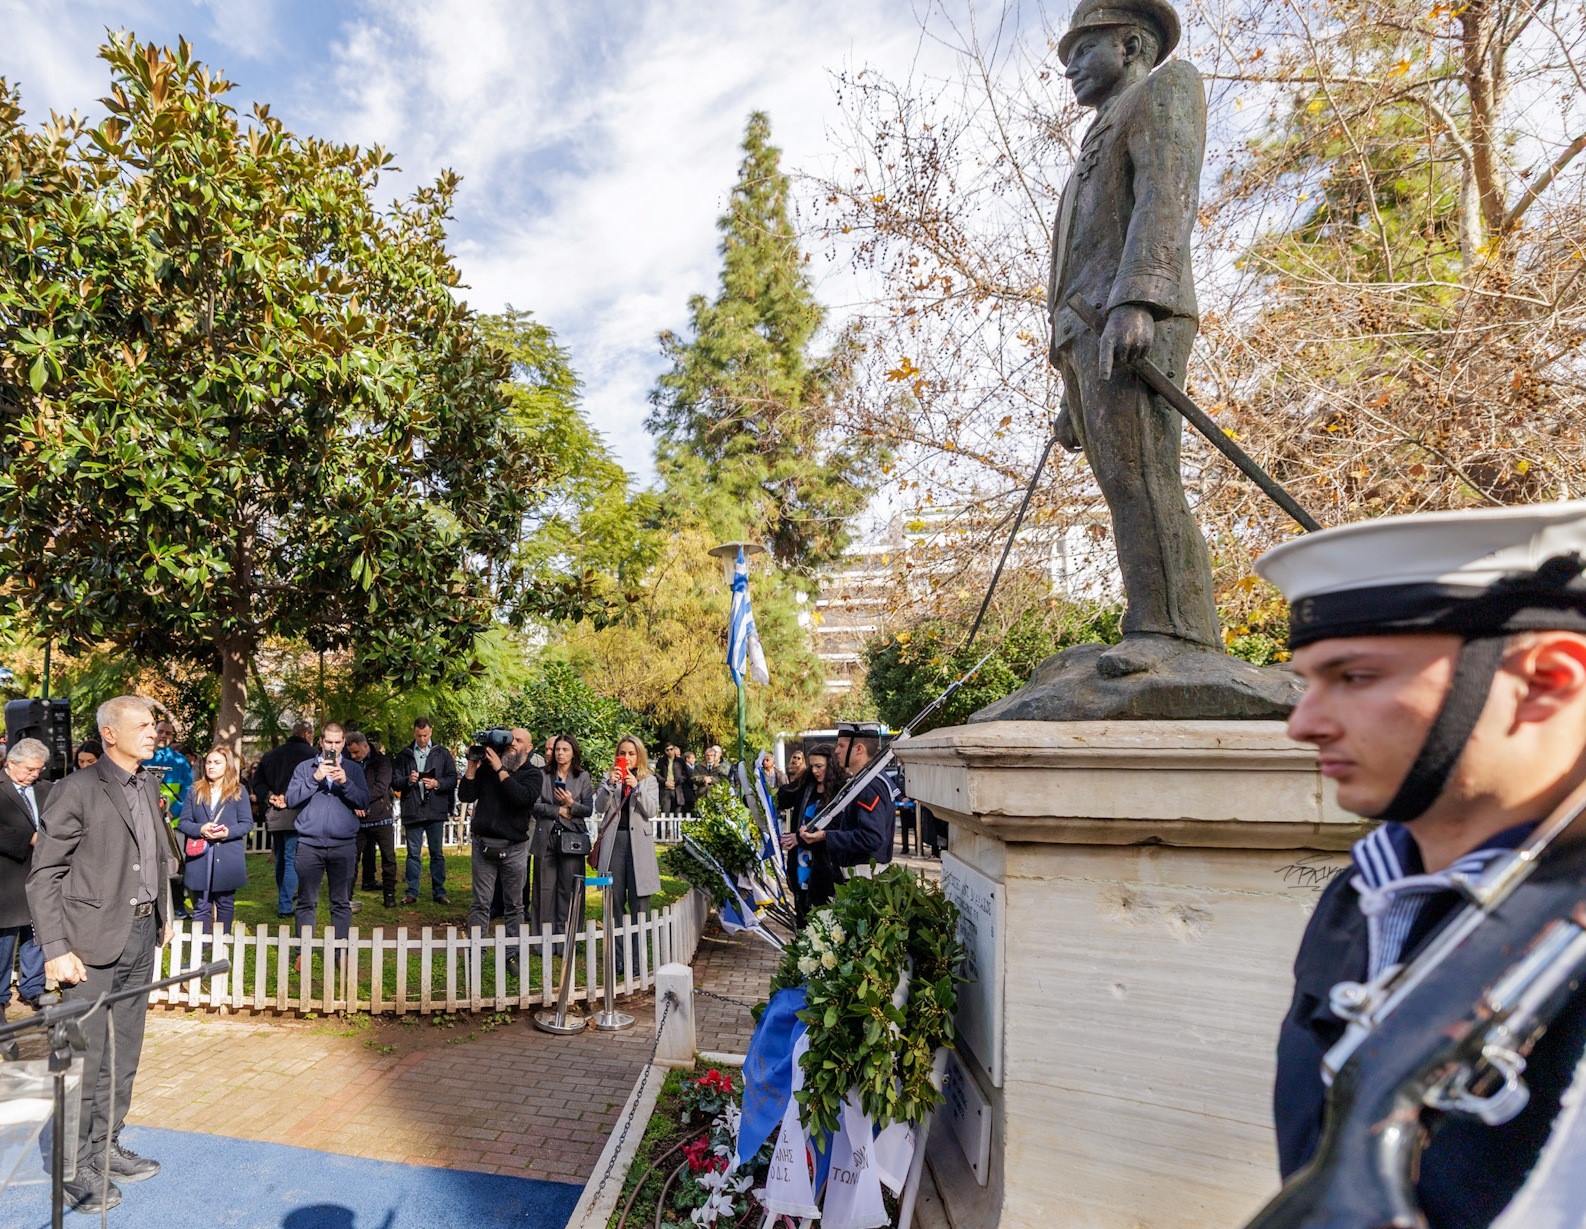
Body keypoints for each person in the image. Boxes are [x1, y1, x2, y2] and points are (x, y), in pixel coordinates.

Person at [1256, 500, 1586, 1229]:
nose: (1302, 722)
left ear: (1547, 678)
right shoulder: (1362, 890)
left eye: (1354, 676)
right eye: (1309, 679)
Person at [1046, 0, 1220, 679]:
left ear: (1131, 43)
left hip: (1131, 323)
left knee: (1144, 474)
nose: (1071, 71)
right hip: (1087, 337)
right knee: (1121, 481)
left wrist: (1138, 297)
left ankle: (1176, 633)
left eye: (1082, 52)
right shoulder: (1090, 142)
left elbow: (1165, 194)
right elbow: (1078, 258)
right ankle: (1150, 620)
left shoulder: (1165, 91)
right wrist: (1068, 383)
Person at [29, 695, 176, 1212]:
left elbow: (158, 853)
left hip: (139, 937)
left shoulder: (149, 783)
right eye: (141, 724)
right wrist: (55, 948)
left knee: (122, 1054)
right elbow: (44, 875)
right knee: (83, 1060)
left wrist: (165, 915)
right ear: (109, 733)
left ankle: (104, 1148)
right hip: (87, 946)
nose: (152, 730)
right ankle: (73, 1167)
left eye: (153, 723)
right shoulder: (76, 789)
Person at [458, 728, 541, 974]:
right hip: (483, 845)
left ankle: (511, 956)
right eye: (510, 739)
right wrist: (472, 766)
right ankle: (476, 953)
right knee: (481, 903)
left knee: (514, 905)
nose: (513, 744)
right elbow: (465, 795)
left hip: (514, 848)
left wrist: (500, 770)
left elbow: (520, 798)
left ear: (529, 746)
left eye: (519, 740)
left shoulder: (532, 774)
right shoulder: (488, 768)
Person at [287, 723, 368, 944]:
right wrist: (315, 778)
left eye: (337, 742)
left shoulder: (353, 770)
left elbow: (363, 801)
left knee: (341, 902)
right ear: (321, 742)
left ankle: (340, 951)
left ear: (343, 743)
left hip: (343, 845)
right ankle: (303, 951)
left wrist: (345, 782)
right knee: (306, 901)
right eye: (328, 742)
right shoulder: (305, 768)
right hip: (309, 845)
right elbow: (291, 800)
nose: (333, 746)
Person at [593, 735, 661, 975]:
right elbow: (599, 807)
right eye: (623, 753)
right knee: (614, 904)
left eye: (631, 753)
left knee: (639, 903)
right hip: (614, 844)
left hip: (638, 846)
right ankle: (619, 960)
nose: (627, 758)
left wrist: (638, 788)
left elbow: (651, 810)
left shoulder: (649, 780)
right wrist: (610, 786)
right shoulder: (609, 778)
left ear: (639, 755)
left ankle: (637, 960)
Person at [177, 747, 253, 935]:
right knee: (201, 905)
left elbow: (247, 824)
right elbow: (184, 822)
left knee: (225, 904)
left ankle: (221, 947)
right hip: (200, 856)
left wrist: (227, 832)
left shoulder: (239, 791)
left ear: (227, 765)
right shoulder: (195, 791)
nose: (211, 766)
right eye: (209, 762)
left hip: (227, 856)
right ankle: (200, 952)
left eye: (217, 762)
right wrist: (200, 829)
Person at [0, 738, 50, 1014]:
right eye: (30, 769)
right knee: (4, 942)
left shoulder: (45, 789)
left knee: (35, 935)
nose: (35, 774)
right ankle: (0, 994)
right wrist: (27, 838)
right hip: (7, 878)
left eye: (39, 769)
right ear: (11, 763)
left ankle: (33, 988)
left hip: (39, 875)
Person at [252, 719, 318, 918]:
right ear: (307, 735)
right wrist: (288, 798)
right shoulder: (313, 755)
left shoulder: (271, 755)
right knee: (291, 858)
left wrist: (269, 796)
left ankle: (284, 895)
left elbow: (257, 782)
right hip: (298, 811)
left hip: (275, 812)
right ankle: (285, 904)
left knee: (281, 856)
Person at [531, 734, 595, 936]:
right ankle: (543, 939)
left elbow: (588, 809)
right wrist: (556, 810)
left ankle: (567, 937)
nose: (560, 753)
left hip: (572, 838)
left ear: (573, 752)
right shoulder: (542, 774)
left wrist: (570, 804)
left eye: (565, 749)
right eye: (557, 749)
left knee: (569, 888)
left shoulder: (582, 777)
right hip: (546, 837)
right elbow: (533, 805)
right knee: (544, 889)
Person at [393, 718, 456, 905]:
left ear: (431, 732)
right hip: (413, 810)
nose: (422, 739)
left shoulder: (442, 753)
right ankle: (412, 892)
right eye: (419, 735)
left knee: (437, 853)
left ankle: (439, 891)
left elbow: (452, 779)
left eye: (426, 735)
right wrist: (408, 781)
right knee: (413, 854)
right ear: (414, 733)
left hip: (435, 809)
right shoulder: (404, 755)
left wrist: (437, 783)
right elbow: (394, 781)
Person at [777, 744, 844, 921]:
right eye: (812, 765)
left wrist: (801, 839)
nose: (814, 770)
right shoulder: (807, 784)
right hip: (800, 862)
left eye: (819, 766)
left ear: (830, 765)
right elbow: (784, 796)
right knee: (802, 914)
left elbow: (836, 828)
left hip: (824, 865)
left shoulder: (841, 788)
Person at [346, 731, 397, 907]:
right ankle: (347, 897)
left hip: (381, 816)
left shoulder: (382, 762)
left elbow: (381, 786)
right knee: (352, 858)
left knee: (388, 858)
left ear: (365, 746)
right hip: (358, 820)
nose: (354, 756)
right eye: (351, 753)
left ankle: (389, 895)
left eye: (356, 752)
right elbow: (345, 786)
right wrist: (354, 804)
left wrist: (360, 800)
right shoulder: (349, 764)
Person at [657, 743, 690, 815]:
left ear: (674, 749)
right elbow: (657, 774)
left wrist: (675, 782)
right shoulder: (661, 761)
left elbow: (685, 775)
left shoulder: (680, 761)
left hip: (677, 790)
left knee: (677, 816)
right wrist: (665, 782)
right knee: (665, 815)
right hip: (665, 790)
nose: (669, 751)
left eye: (671, 749)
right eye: (667, 750)